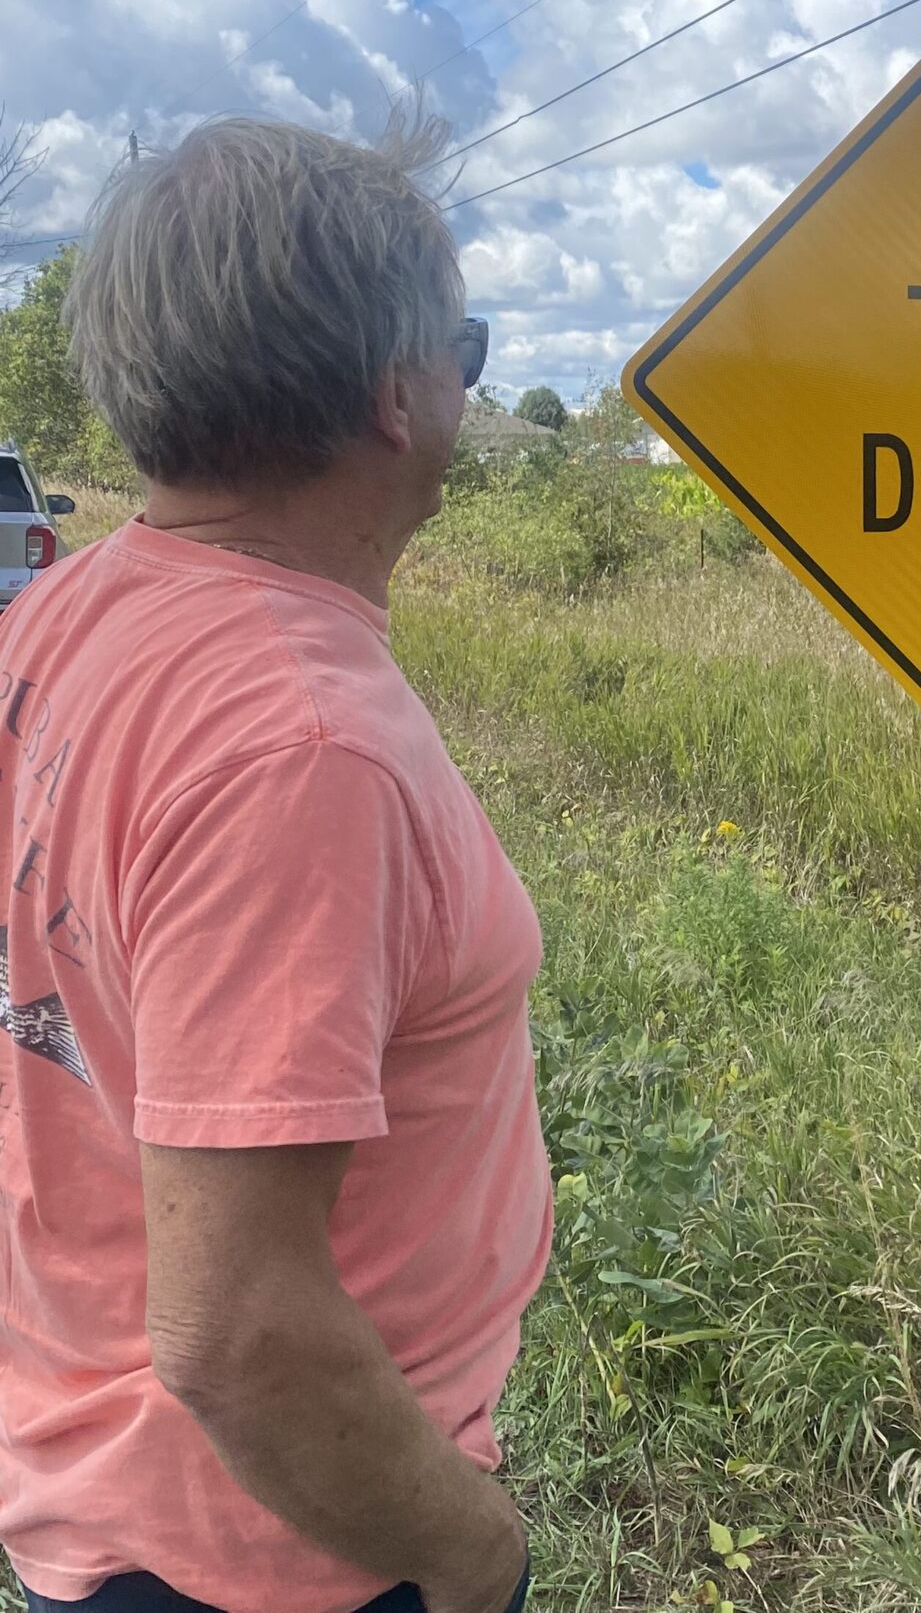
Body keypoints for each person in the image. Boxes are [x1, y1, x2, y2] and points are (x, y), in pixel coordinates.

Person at [0, 115, 551, 1613]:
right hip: (269, 1556)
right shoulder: (304, 750)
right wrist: (471, 1557)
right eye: (471, 347)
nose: (464, 379)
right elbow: (240, 1334)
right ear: (396, 392)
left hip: (102, 1482)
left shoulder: (73, 615)